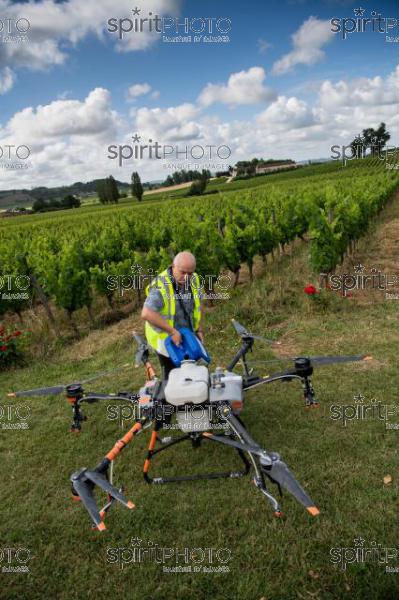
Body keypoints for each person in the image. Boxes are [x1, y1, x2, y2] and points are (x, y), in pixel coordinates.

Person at [141, 251, 204, 380]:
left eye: (190, 273)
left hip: (186, 334)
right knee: (173, 377)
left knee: (191, 370)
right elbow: (147, 313)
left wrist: (199, 328)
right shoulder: (161, 286)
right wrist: (172, 332)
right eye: (182, 272)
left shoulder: (195, 279)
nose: (186, 277)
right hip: (166, 339)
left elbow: (199, 303)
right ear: (173, 266)